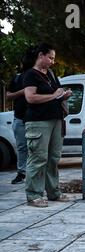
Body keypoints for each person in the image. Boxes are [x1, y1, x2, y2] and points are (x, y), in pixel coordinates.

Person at [23, 43, 72, 207]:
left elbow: (57, 93)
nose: (52, 61)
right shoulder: (30, 74)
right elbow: (30, 97)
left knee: (53, 158)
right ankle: (34, 194)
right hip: (38, 122)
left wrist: (64, 95)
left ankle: (53, 192)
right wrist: (53, 96)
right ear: (41, 55)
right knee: (38, 158)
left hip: (56, 120)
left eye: (53, 58)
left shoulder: (51, 74)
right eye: (50, 57)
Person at [6, 53, 34, 184]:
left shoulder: (35, 76)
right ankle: (22, 173)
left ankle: (35, 173)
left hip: (35, 119)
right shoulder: (16, 79)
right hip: (19, 119)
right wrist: (23, 92)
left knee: (35, 147)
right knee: (22, 147)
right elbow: (8, 96)